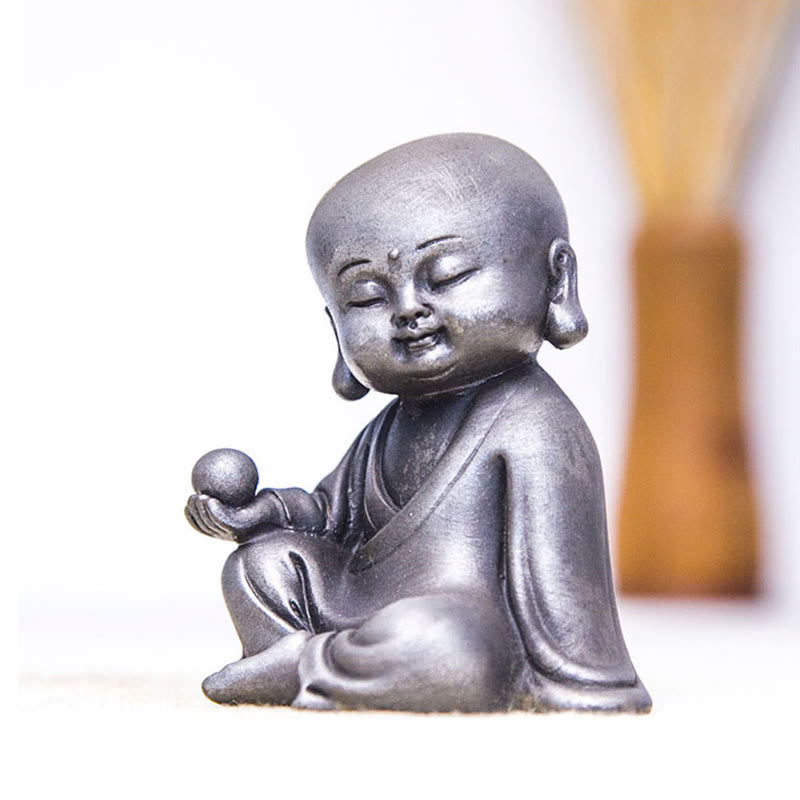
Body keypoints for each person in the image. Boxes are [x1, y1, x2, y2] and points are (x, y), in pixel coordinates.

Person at [185, 133, 651, 713]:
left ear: (556, 280)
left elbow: (560, 583)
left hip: (461, 625)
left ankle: (303, 667)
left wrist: (578, 680)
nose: (407, 310)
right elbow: (333, 515)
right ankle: (333, 667)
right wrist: (265, 512)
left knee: (448, 647)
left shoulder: (535, 426)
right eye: (366, 298)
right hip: (366, 605)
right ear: (334, 327)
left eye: (448, 276)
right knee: (261, 565)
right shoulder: (387, 429)